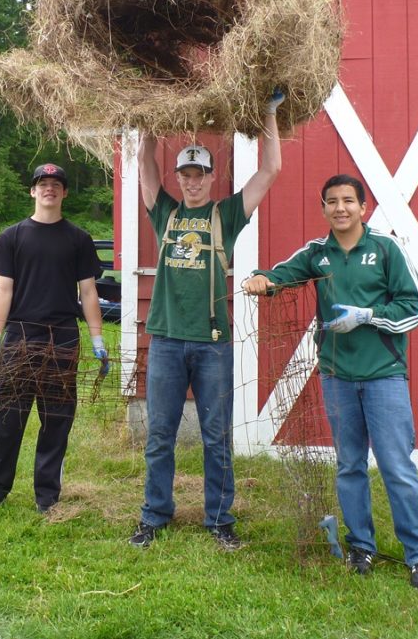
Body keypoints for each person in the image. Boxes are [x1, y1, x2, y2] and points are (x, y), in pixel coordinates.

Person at [243, 174, 418, 591]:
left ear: (363, 207)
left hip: (384, 374)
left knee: (395, 466)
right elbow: (283, 274)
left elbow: (414, 308)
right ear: (323, 209)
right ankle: (360, 546)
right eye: (331, 201)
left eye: (348, 201)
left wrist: (368, 316)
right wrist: (261, 280)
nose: (340, 208)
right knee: (349, 465)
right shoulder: (319, 253)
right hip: (336, 376)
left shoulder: (386, 249)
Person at [129, 90, 284, 551]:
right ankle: (155, 515)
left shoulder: (228, 215)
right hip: (167, 341)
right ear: (178, 179)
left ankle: (219, 520)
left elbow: (271, 170)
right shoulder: (165, 214)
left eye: (200, 174)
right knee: (160, 433)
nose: (192, 182)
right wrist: (149, 124)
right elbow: (145, 169)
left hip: (213, 341)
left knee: (216, 436)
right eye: (186, 174)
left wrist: (270, 114)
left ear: (212, 178)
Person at [0, 163, 108, 515]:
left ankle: (47, 497)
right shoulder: (11, 237)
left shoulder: (78, 239)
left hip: (62, 340)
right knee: (8, 419)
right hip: (19, 338)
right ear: (32, 191)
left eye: (56, 184)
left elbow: (89, 293)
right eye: (42, 183)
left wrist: (97, 340)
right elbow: (4, 288)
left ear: (64, 193)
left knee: (57, 420)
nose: (49, 189)